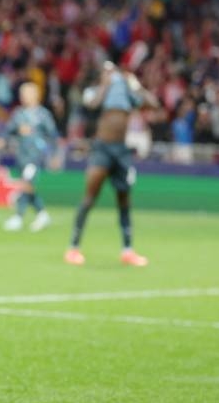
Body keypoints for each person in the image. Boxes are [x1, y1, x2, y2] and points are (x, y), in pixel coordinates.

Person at [65, 60, 159, 266]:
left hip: (121, 151)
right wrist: (105, 84)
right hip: (102, 149)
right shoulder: (97, 91)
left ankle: (127, 250)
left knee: (124, 200)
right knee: (89, 198)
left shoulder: (127, 92)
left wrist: (134, 84)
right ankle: (73, 247)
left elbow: (153, 103)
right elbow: (92, 104)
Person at [0, 82, 61, 232]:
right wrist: (1, 139)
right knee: (27, 185)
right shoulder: (19, 114)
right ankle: (42, 214)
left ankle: (18, 216)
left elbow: (53, 135)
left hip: (35, 156)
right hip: (21, 155)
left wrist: (55, 155)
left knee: (26, 183)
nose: (23, 97)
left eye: (26, 93)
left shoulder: (43, 115)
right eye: (22, 94)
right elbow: (8, 129)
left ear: (36, 95)